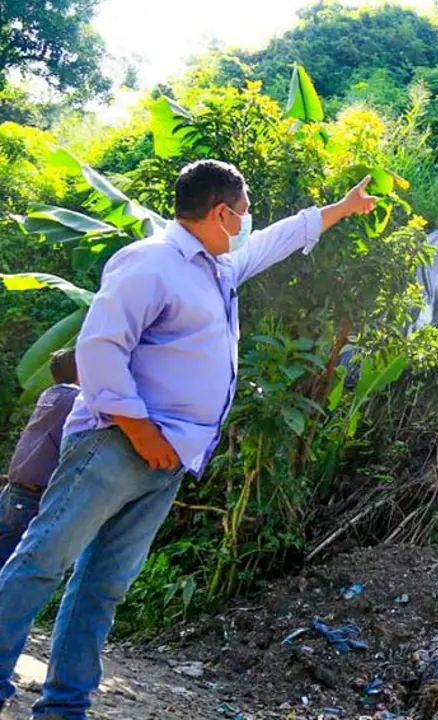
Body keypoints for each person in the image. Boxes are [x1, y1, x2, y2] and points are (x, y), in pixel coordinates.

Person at [0, 159, 378, 719]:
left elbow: (278, 239)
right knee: (43, 560)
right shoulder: (151, 262)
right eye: (244, 213)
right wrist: (141, 430)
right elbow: (100, 350)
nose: (249, 223)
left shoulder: (217, 268)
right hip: (115, 445)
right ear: (222, 212)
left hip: (168, 458)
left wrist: (341, 209)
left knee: (103, 586)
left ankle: (64, 706)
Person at [0, 349, 78, 567]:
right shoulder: (75, 399)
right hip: (31, 494)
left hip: (16, 488)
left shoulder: (50, 394)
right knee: (14, 566)